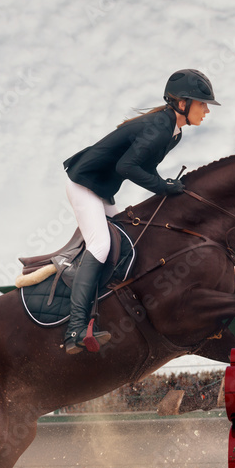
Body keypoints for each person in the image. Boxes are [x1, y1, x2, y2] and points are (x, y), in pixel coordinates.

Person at [61, 69, 220, 354]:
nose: (207, 110)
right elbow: (127, 167)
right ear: (182, 103)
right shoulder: (161, 125)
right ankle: (74, 328)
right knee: (100, 246)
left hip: (103, 190)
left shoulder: (174, 133)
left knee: (127, 243)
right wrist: (163, 187)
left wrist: (166, 185)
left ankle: (101, 311)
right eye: (202, 103)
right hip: (84, 184)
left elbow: (144, 167)